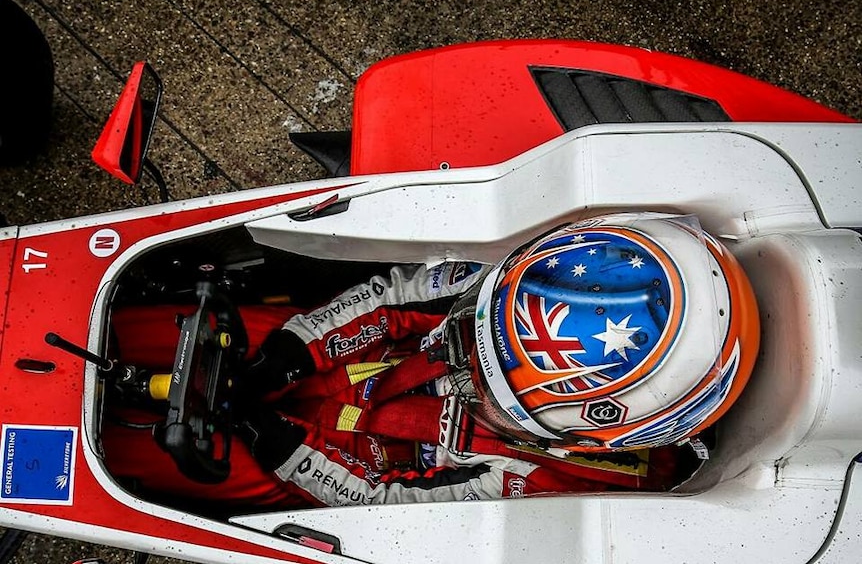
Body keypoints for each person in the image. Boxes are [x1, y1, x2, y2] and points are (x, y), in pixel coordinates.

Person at [104, 212, 759, 508]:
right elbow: (396, 292)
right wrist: (296, 348)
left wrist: (288, 451)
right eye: (481, 334)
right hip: (330, 356)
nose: (466, 363)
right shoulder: (496, 280)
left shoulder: (542, 486)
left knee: (144, 458)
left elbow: (385, 510)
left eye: (493, 385)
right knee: (151, 327)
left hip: (320, 467)